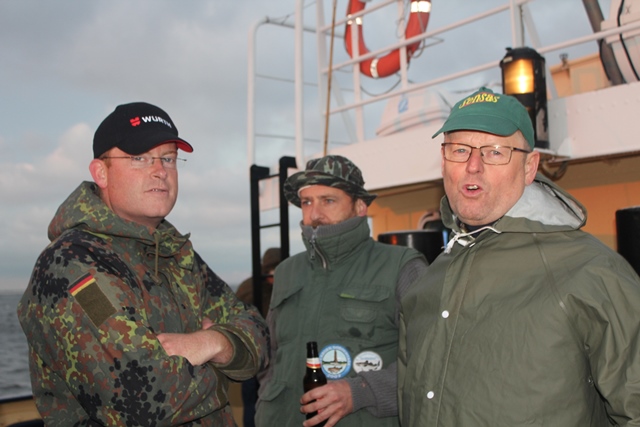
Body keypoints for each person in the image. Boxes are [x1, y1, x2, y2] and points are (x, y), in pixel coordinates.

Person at [398, 87, 640, 426]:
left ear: (529, 167)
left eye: (495, 152)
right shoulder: (428, 284)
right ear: (444, 161)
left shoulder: (591, 270)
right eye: (459, 150)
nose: (472, 166)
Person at [17, 102, 269, 426]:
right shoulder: (71, 264)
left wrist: (210, 342)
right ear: (101, 173)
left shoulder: (174, 254)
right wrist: (229, 362)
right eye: (139, 158)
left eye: (168, 158)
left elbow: (259, 333)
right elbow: (142, 398)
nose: (160, 170)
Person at [255, 155, 429, 427]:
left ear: (360, 206)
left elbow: (430, 360)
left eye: (328, 200)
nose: (314, 214)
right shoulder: (287, 271)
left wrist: (360, 392)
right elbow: (272, 355)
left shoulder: (401, 267)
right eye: (306, 202)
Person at [235, 247, 282, 427]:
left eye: (277, 271)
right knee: (251, 403)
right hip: (252, 352)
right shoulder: (250, 288)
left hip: (277, 353)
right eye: (270, 271)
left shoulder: (287, 287)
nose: (273, 276)